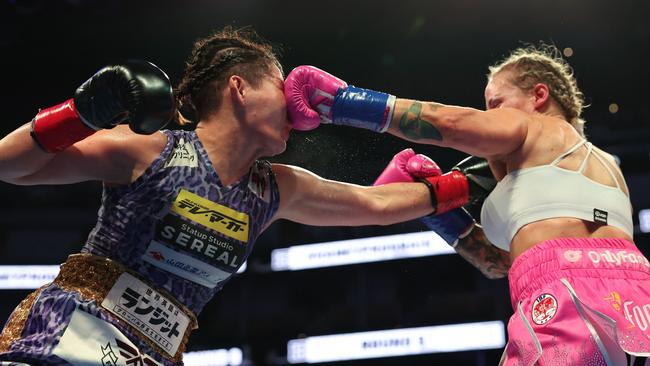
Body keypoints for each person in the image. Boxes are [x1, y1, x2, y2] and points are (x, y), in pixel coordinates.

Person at [0, 27, 472, 366]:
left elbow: (375, 205)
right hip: (70, 334)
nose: (293, 102)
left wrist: (462, 185)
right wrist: (82, 112)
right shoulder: (149, 150)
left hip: (153, 355)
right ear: (239, 88)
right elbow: (9, 165)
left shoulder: (273, 188)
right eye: (279, 83)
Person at [285, 45, 650, 365]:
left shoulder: (534, 128)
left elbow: (450, 122)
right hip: (638, 302)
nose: (490, 115)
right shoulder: (603, 168)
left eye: (496, 104)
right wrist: (445, 217)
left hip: (565, 294)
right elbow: (501, 264)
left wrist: (344, 102)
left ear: (539, 96)